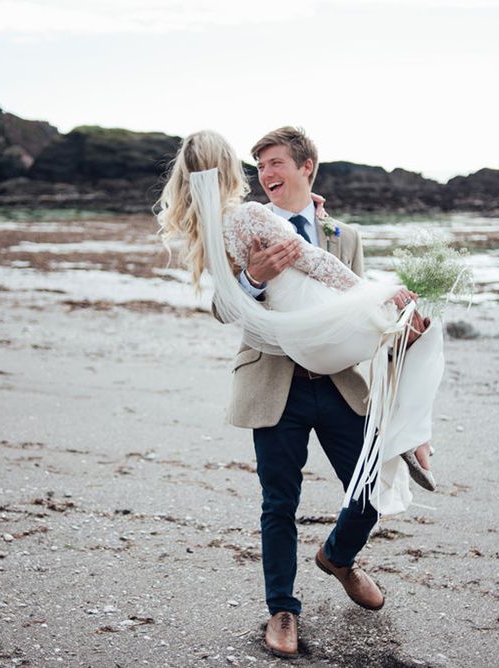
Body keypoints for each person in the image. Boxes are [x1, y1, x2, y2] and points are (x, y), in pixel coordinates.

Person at [157, 128, 443, 658]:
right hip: (272, 380)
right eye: (259, 164)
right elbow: (224, 309)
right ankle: (283, 610)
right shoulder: (238, 225)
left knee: (369, 488)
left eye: (276, 162)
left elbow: (358, 313)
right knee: (278, 503)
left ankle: (338, 556)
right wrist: (252, 281)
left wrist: (403, 328)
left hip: (337, 384)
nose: (265, 173)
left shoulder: (344, 233)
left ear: (307, 166)